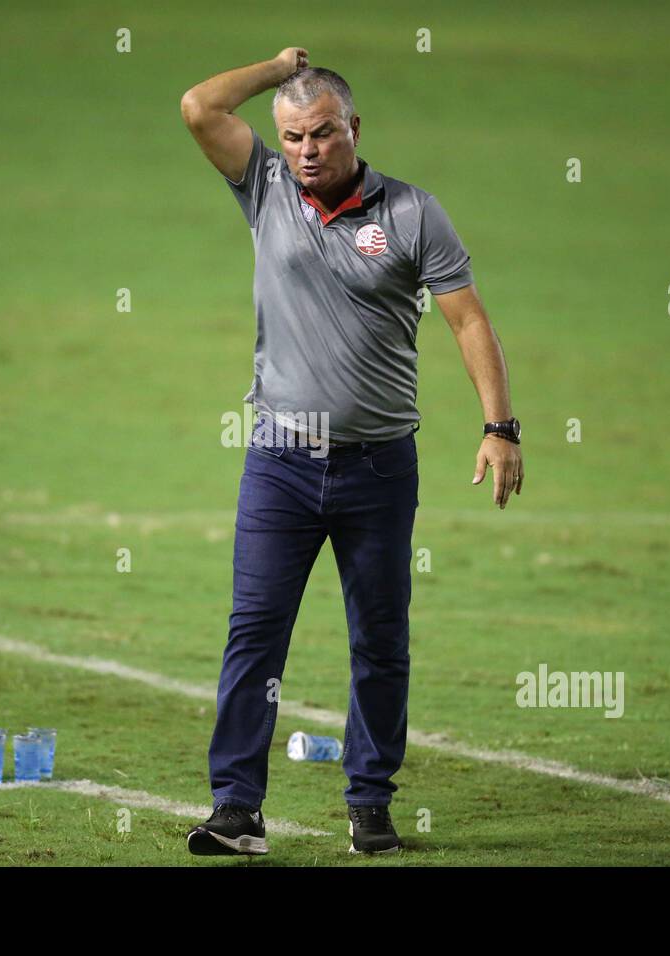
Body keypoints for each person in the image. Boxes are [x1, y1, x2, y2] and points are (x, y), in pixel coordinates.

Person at [178, 48, 523, 855]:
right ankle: (237, 808)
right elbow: (198, 106)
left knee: (380, 635)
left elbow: (468, 320)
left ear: (353, 129)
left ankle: (369, 801)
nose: (305, 151)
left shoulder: (411, 213)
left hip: (378, 465)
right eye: (293, 136)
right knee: (254, 631)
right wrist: (275, 67)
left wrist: (499, 426)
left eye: (322, 134)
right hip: (280, 461)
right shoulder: (262, 187)